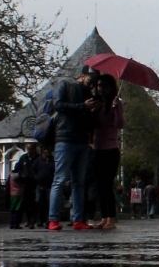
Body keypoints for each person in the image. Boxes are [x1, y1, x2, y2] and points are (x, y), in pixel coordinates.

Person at [46, 68, 94, 230]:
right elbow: (58, 105)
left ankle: (78, 219)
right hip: (65, 138)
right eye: (90, 80)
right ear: (82, 76)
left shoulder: (89, 94)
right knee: (60, 179)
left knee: (79, 183)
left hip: (81, 140)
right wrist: (82, 106)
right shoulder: (66, 85)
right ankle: (53, 218)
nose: (91, 83)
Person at [89, 70, 124, 229]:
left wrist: (116, 109)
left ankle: (111, 218)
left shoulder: (116, 103)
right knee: (99, 185)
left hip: (110, 149)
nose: (101, 89)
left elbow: (120, 124)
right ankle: (103, 216)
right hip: (96, 148)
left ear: (111, 87)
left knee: (107, 183)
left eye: (104, 86)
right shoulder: (95, 103)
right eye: (98, 85)